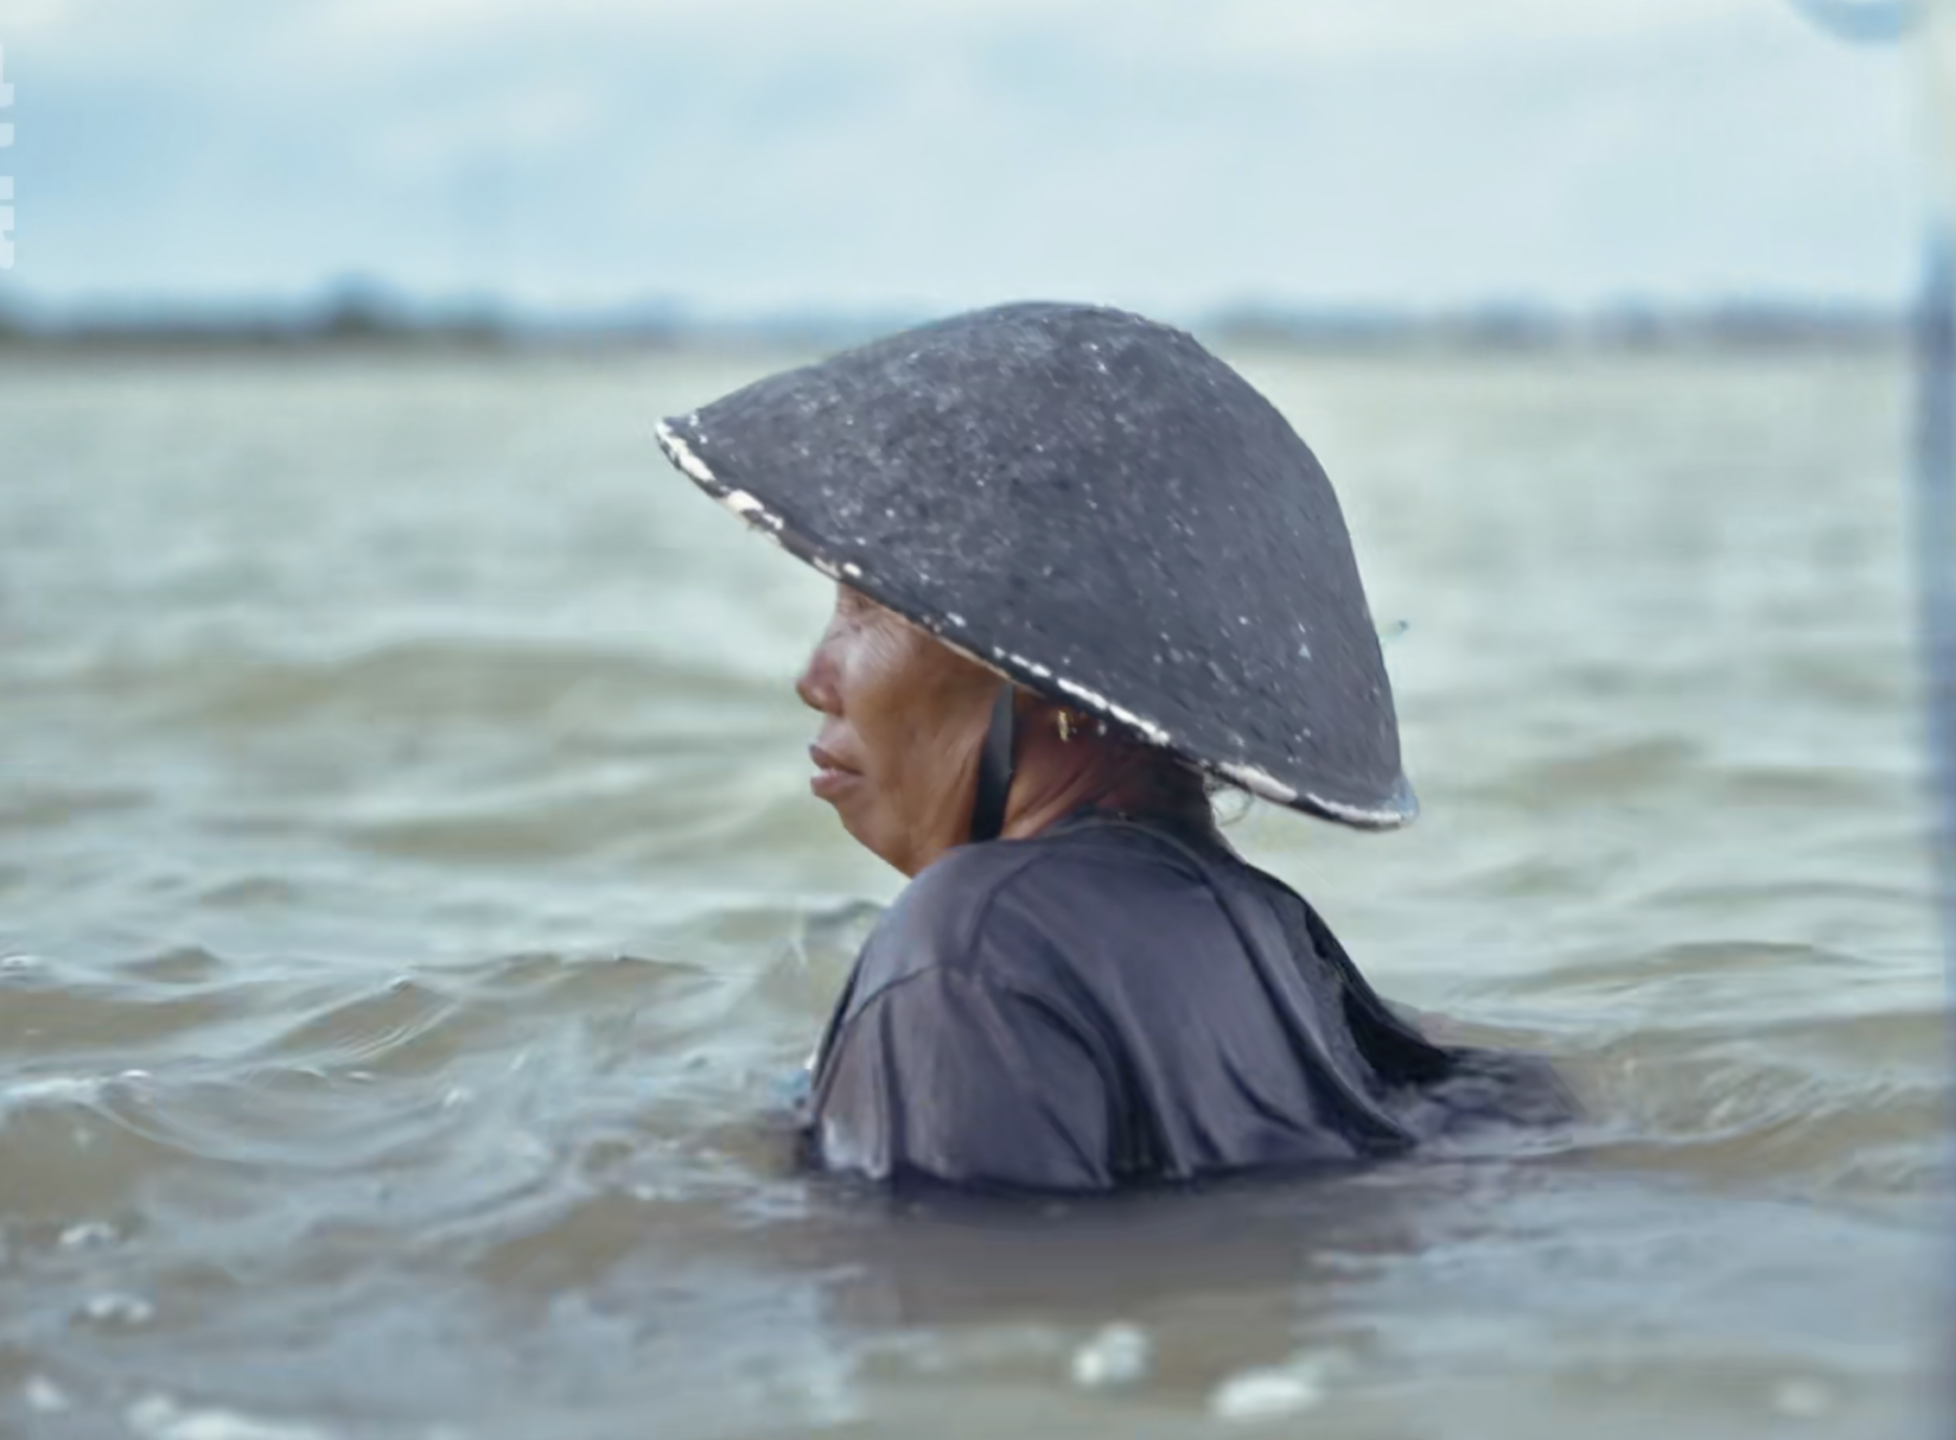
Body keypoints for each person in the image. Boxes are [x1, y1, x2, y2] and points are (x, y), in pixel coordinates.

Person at [655, 301, 1570, 1193]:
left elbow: (945, 1318)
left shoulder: (969, 950)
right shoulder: (1280, 938)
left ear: (1043, 670)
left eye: (865, 607)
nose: (815, 675)